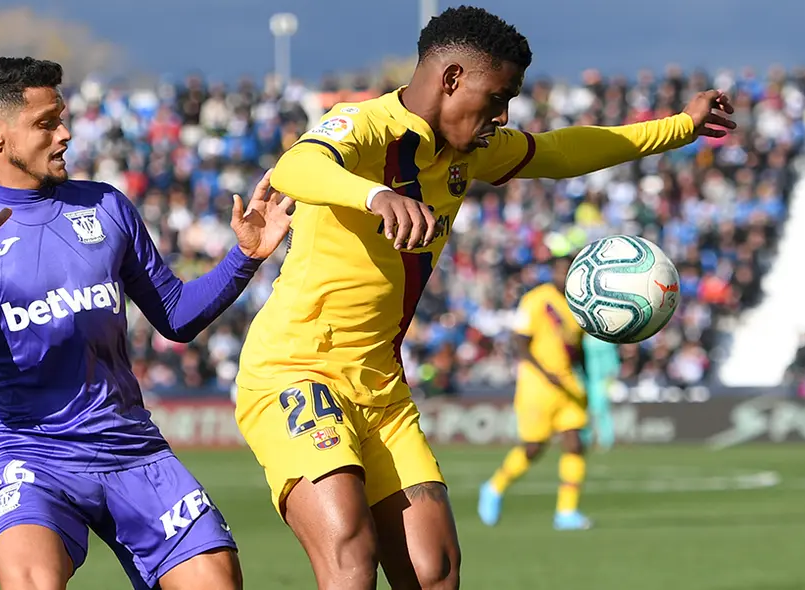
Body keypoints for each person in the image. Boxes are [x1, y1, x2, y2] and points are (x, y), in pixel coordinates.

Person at [234, 5, 734, 588]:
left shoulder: (468, 151)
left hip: (380, 389)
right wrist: (375, 197)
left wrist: (680, 126)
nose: (503, 115)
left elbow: (563, 152)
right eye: (498, 97)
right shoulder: (365, 127)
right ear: (451, 79)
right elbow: (297, 167)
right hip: (294, 371)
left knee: (435, 570)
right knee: (350, 552)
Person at [0, 57, 294, 590]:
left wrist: (245, 257)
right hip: (32, 454)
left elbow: (177, 317)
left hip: (133, 450)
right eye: (47, 123)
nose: (66, 133)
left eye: (63, 118)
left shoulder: (105, 206)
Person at [478, 255, 592, 530]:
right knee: (533, 448)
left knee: (575, 442)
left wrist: (585, 378)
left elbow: (578, 348)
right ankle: (495, 487)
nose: (564, 276)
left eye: (569, 271)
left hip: (567, 386)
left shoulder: (580, 306)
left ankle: (566, 512)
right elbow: (519, 342)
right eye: (560, 270)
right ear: (552, 272)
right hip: (537, 386)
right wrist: (546, 373)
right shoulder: (536, 300)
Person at [581, 332, 621, 451]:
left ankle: (605, 440)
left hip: (600, 380)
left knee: (601, 410)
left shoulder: (602, 340)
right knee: (589, 410)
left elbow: (612, 363)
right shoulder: (589, 338)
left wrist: (610, 379)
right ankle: (587, 439)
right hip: (588, 378)